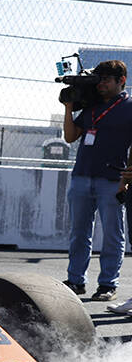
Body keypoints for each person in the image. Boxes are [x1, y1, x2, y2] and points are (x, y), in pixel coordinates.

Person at [61, 59, 132, 303]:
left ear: (121, 81)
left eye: (106, 80)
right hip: (81, 176)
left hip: (112, 179)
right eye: (98, 79)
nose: (101, 84)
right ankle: (75, 281)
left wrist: (126, 178)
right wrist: (69, 107)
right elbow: (70, 136)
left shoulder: (129, 107)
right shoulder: (90, 107)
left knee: (113, 234)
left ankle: (107, 285)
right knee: (79, 233)